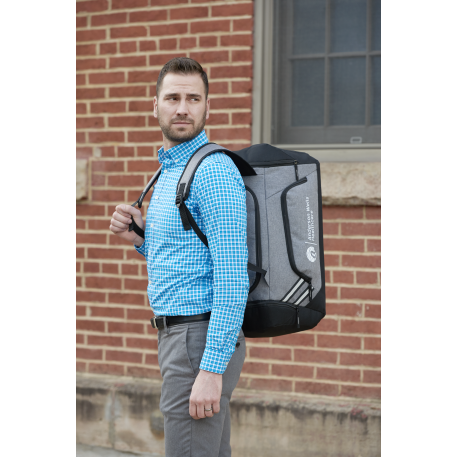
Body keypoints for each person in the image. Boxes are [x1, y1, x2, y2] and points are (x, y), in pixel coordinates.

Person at [109, 57, 249, 457]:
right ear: (155, 105)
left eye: (193, 99)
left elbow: (232, 276)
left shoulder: (212, 171)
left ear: (208, 106)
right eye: (173, 98)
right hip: (184, 338)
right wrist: (141, 237)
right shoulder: (171, 169)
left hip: (197, 340)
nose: (183, 108)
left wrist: (211, 369)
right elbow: (185, 257)